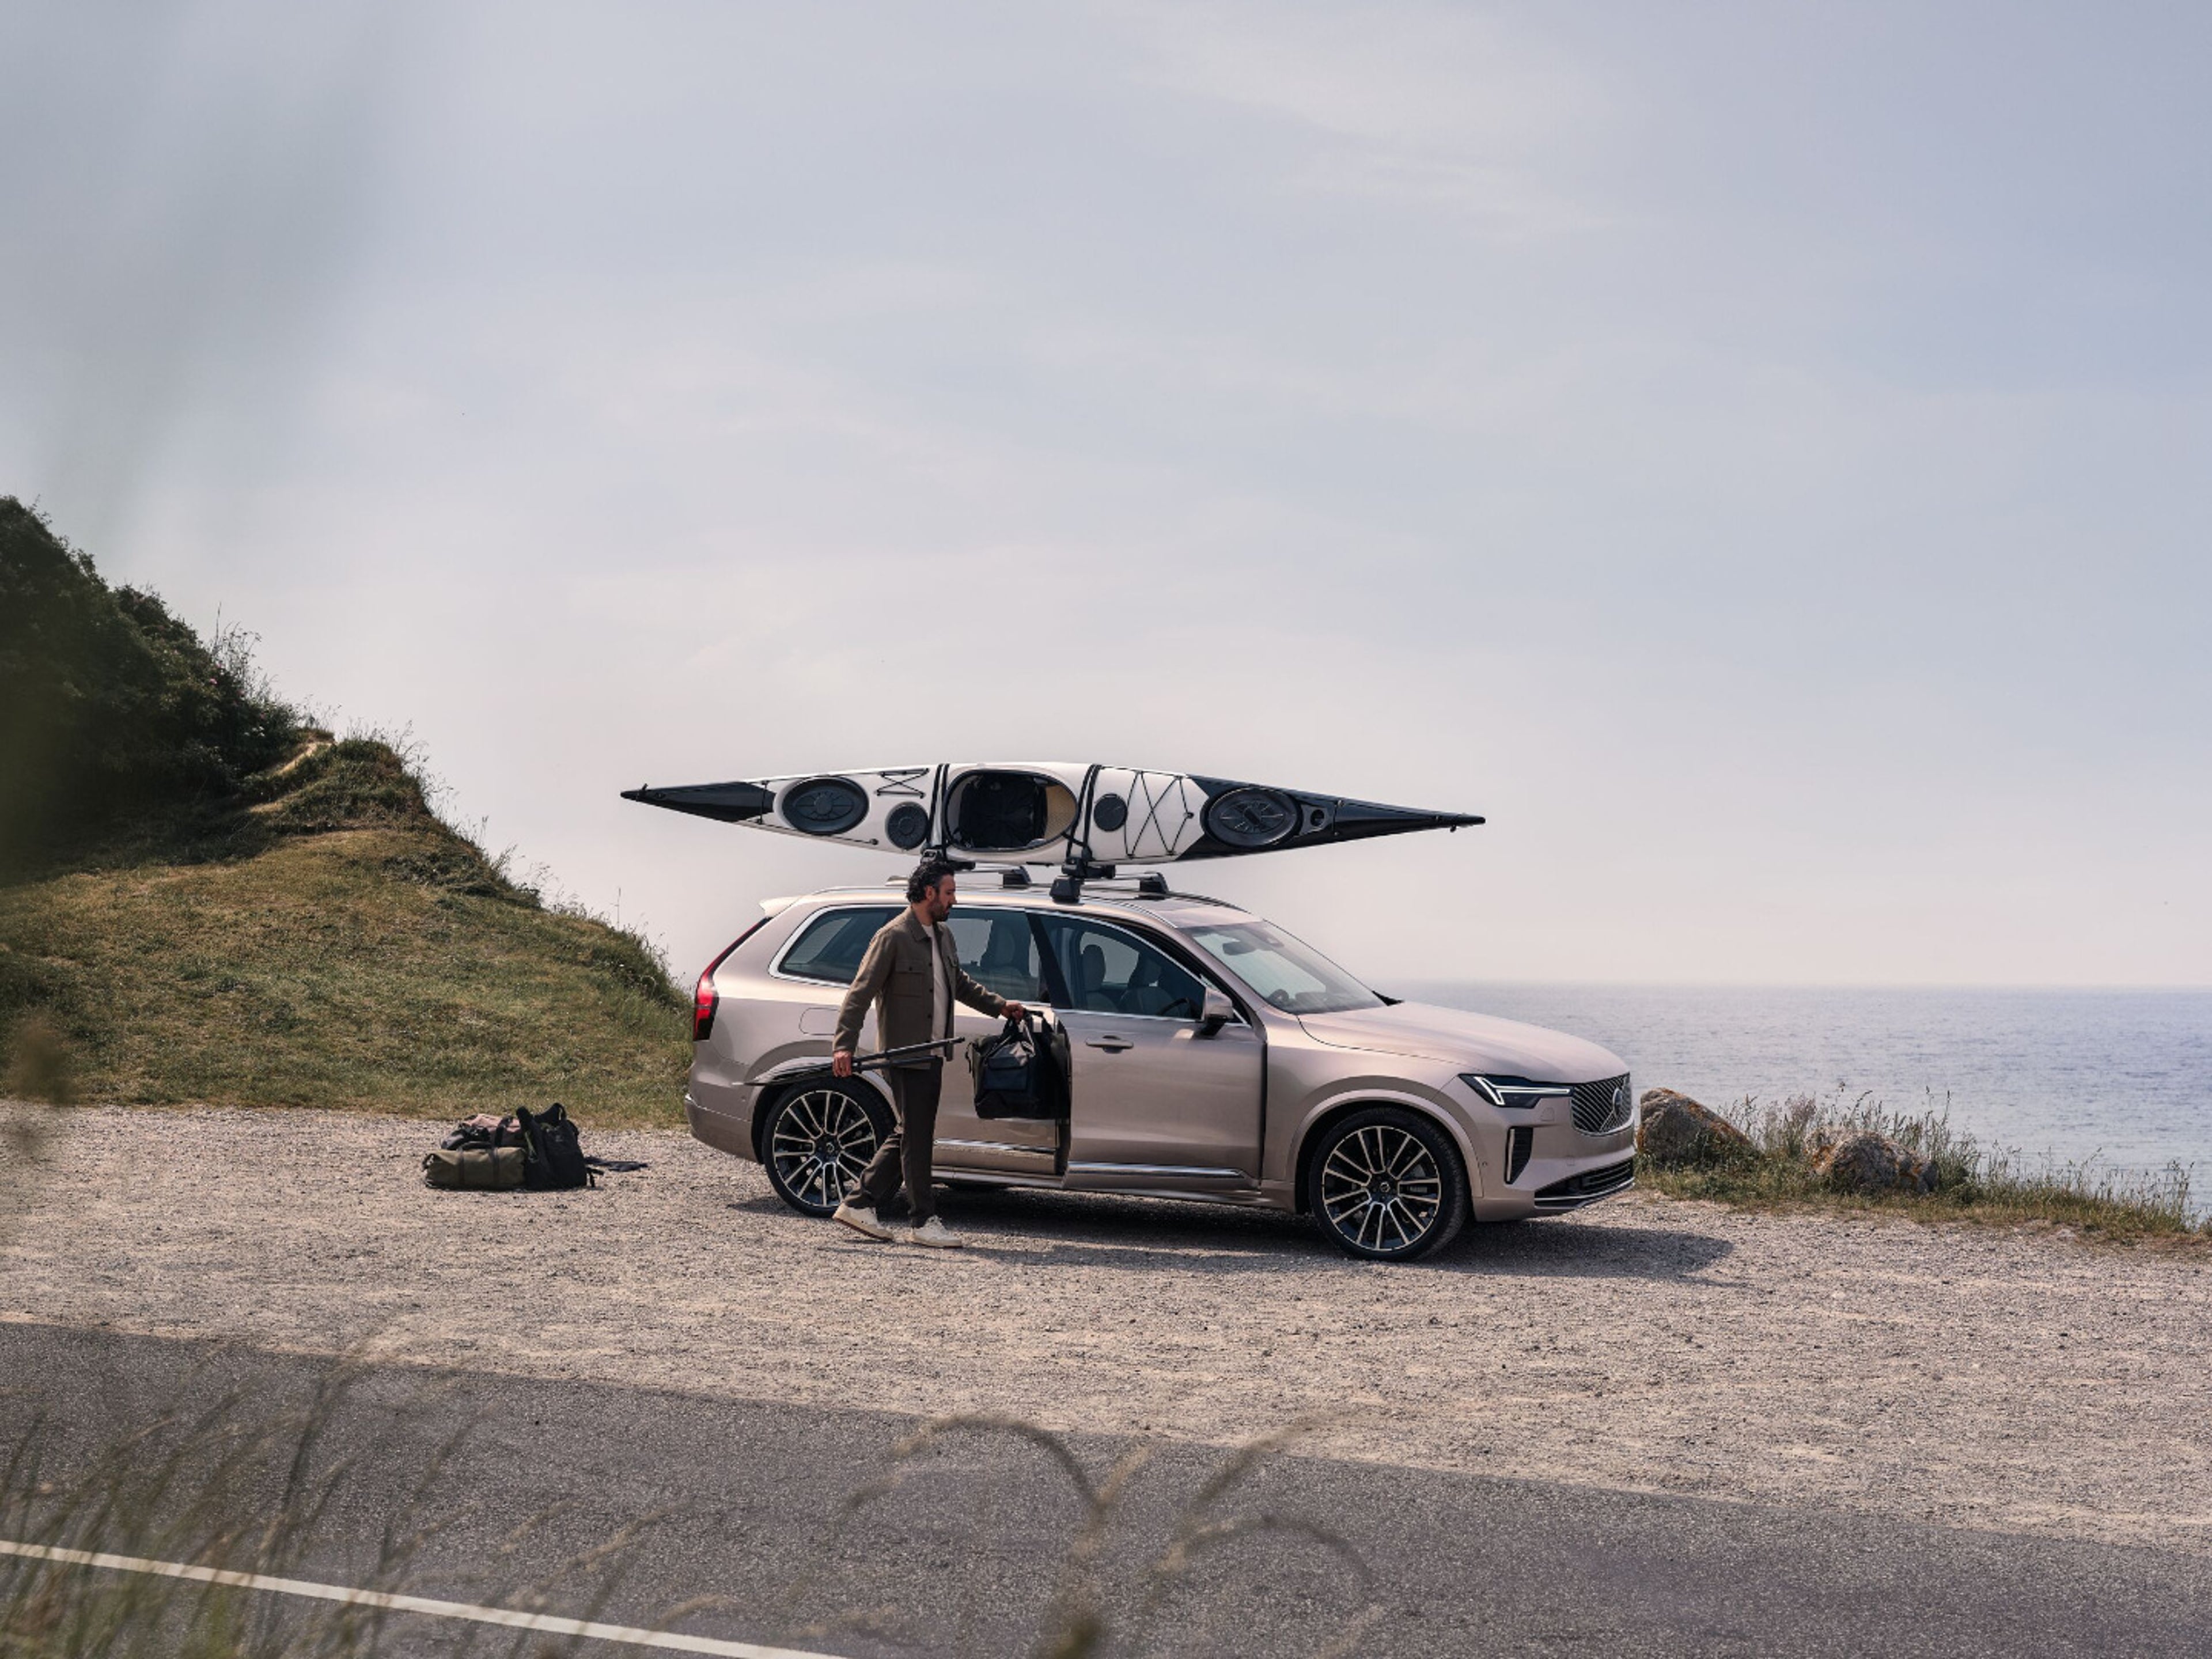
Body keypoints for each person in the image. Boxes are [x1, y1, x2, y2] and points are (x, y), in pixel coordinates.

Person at [829, 855, 1026, 1248]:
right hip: (906, 1054)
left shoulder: (943, 937)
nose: (954, 900)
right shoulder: (894, 937)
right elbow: (859, 994)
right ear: (929, 893)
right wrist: (843, 1046)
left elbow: (961, 983)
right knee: (917, 1136)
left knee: (910, 1133)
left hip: (933, 1053)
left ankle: (859, 1203)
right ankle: (922, 1221)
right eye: (950, 893)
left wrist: (1000, 1006)